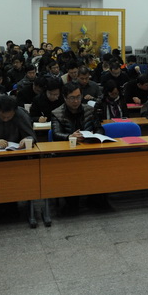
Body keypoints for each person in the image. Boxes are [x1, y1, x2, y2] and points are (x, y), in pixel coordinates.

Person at [51, 82, 107, 212]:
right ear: (65, 97)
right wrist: (70, 136)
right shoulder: (57, 113)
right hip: (68, 153)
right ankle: (72, 202)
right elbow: (56, 134)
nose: (76, 101)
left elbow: (99, 128)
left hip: (89, 149)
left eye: (78, 97)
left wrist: (95, 135)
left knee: (102, 164)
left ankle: (96, 198)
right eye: (72, 98)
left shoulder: (89, 110)